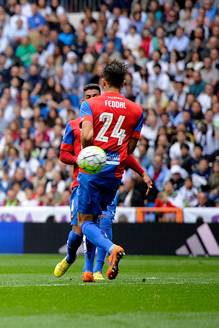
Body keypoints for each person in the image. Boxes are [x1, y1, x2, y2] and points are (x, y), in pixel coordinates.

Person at [54, 83, 151, 282]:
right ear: (82, 100)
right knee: (80, 229)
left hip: (107, 178)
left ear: (102, 97)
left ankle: (93, 270)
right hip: (81, 181)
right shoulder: (73, 125)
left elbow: (124, 152)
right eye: (87, 96)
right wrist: (80, 159)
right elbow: (63, 154)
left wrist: (141, 172)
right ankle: (71, 257)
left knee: (102, 221)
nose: (91, 99)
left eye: (94, 95)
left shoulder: (107, 121)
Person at [78, 60, 151, 281]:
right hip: (115, 172)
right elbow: (129, 149)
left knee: (84, 222)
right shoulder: (136, 110)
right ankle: (94, 269)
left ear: (104, 82)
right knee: (103, 217)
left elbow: (88, 136)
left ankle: (111, 250)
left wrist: (87, 157)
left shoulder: (90, 104)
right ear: (124, 83)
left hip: (93, 171)